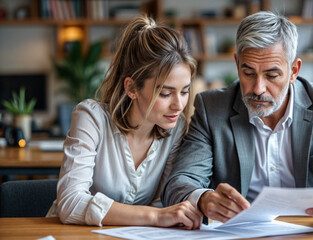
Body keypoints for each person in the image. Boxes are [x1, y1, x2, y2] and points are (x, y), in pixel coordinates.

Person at [162, 11, 313, 233]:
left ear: (294, 71)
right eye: (248, 73)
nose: (258, 88)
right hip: (238, 235)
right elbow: (179, 181)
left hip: (311, 232)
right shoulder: (211, 107)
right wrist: (203, 199)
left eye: (271, 75)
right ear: (237, 63)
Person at [46, 16, 203, 229]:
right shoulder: (91, 118)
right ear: (131, 88)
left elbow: (164, 204)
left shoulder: (175, 129)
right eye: (166, 93)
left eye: (184, 91)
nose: (179, 105)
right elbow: (70, 204)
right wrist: (155, 217)